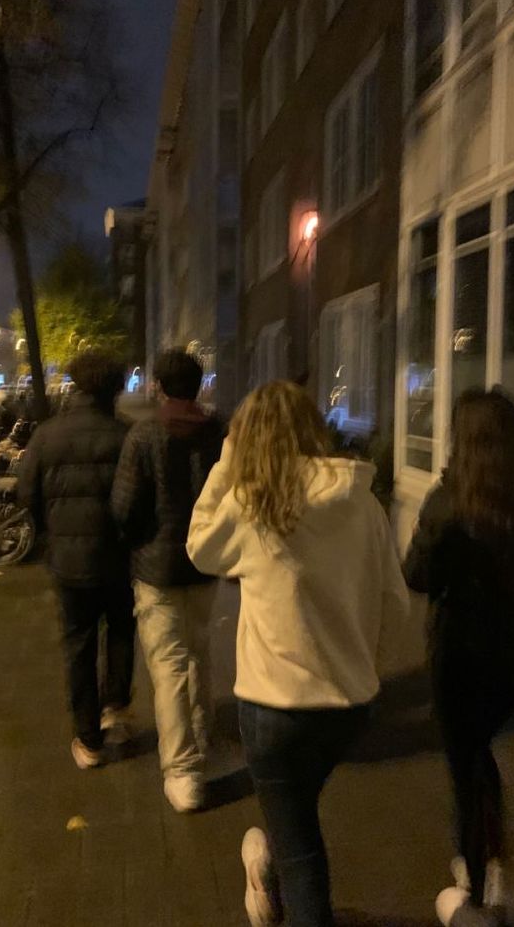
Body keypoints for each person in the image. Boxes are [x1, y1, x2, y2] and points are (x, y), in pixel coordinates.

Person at [186, 381, 410, 927]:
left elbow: (199, 548)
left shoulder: (252, 504)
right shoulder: (363, 503)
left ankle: (279, 884)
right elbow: (395, 604)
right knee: (295, 816)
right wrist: (366, 667)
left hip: (274, 707)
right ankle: (267, 876)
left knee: (300, 845)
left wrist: (225, 464)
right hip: (350, 706)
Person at [403, 388, 514, 927]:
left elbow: (416, 575)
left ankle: (477, 884)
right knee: (478, 753)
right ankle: (493, 863)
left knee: (466, 763)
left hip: (462, 658)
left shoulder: (452, 502)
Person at [111, 348, 224, 813]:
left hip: (157, 570)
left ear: (159, 385)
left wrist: (138, 543)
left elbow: (125, 506)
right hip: (206, 563)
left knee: (169, 668)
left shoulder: (144, 436)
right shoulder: (219, 432)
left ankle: (183, 772)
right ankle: (202, 739)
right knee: (199, 653)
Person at [17, 351, 135, 770]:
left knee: (78, 643)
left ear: (76, 386)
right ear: (115, 389)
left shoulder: (47, 436)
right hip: (119, 559)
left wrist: (51, 530)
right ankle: (115, 710)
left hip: (68, 561)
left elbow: (25, 494)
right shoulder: (127, 436)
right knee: (121, 630)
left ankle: (88, 741)